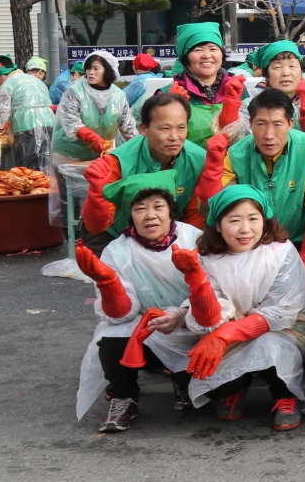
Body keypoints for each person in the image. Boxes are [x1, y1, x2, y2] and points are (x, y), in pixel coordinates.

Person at [144, 184, 305, 430]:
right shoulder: (207, 256)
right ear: (218, 225)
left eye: (253, 219)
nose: (245, 229)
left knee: (270, 346)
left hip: (280, 328)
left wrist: (226, 335)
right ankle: (236, 387)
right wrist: (196, 281)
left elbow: (281, 310)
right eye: (234, 220)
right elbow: (211, 314)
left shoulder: (281, 252)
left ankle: (285, 394)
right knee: (204, 370)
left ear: (265, 220)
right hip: (224, 327)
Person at [71, 171, 205, 432]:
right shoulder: (117, 250)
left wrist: (180, 315)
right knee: (111, 340)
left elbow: (216, 290)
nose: (150, 215)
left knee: (202, 373)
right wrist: (108, 284)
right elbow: (121, 314)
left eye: (158, 206)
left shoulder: (195, 239)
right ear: (130, 215)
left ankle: (182, 380)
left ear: (170, 211)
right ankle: (124, 397)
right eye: (140, 208)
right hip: (145, 327)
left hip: (192, 324)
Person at [203, 87, 305, 288]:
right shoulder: (236, 153)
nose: (269, 135)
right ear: (251, 124)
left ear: (290, 124)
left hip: (300, 243)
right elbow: (217, 202)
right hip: (252, 246)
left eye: (278, 124)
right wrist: (213, 165)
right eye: (261, 124)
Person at [81, 91, 207, 251]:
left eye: (181, 128)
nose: (174, 136)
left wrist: (182, 246)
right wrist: (96, 194)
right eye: (165, 128)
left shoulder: (199, 160)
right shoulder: (117, 161)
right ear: (144, 129)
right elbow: (98, 224)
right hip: (116, 232)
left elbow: (194, 218)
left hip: (170, 232)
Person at [52, 49, 137, 165]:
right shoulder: (74, 90)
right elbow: (71, 122)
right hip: (69, 154)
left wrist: (137, 146)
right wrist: (94, 139)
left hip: (100, 157)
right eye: (88, 68)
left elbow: (128, 126)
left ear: (108, 70)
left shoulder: (119, 96)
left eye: (96, 68)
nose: (90, 72)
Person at [242, 40, 305, 146]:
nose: (286, 73)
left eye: (292, 66)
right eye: (277, 67)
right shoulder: (249, 106)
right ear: (266, 75)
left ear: (301, 71)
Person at [164, 22, 233, 145]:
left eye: (213, 49)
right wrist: (168, 107)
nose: (207, 55)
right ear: (185, 56)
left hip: (231, 164)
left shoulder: (236, 89)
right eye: (198, 50)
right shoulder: (166, 94)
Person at [0, 54, 54, 170]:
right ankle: (48, 188)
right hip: (49, 125)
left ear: (2, 75)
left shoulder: (8, 85)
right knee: (45, 164)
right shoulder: (35, 81)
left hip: (26, 128)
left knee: (27, 169)